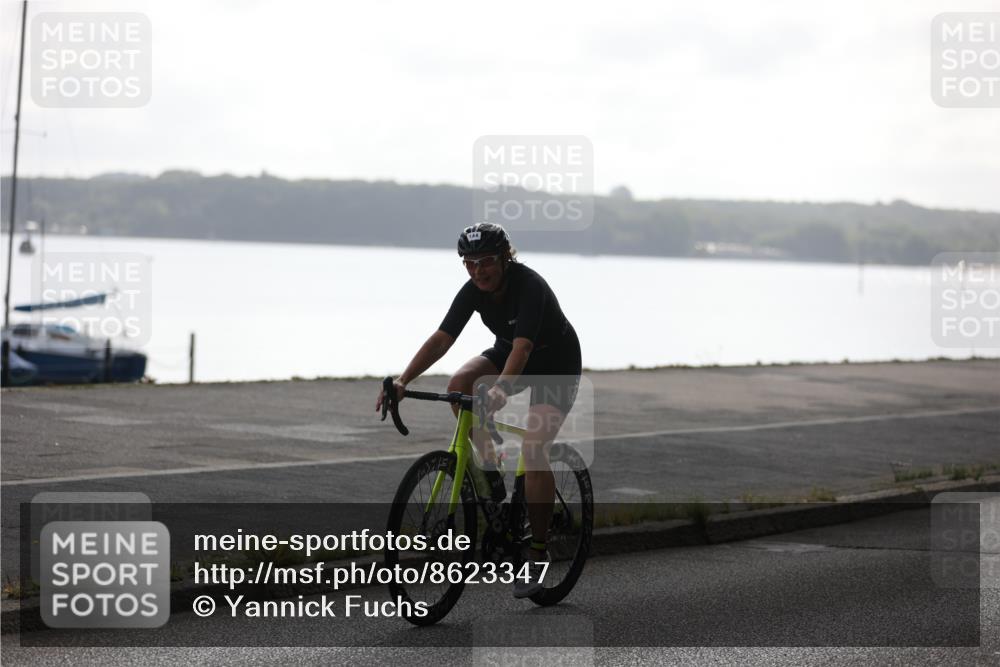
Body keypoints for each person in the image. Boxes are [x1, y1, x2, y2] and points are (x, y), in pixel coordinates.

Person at [375, 222, 582, 598]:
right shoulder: (473, 290)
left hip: (555, 363)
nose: (478, 271)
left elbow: (522, 350)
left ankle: (537, 551)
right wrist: (404, 380)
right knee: (459, 387)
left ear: (505, 258)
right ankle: (490, 470)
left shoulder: (529, 286)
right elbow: (442, 338)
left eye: (486, 261)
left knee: (535, 450)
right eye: (469, 263)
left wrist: (501, 388)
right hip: (511, 352)